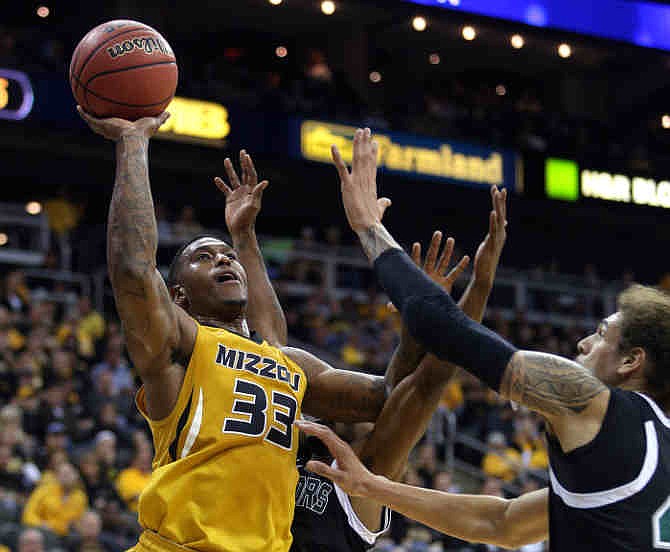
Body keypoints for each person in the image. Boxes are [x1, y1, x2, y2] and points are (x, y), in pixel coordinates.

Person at [297, 127, 670, 551]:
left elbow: (444, 330)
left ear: (630, 361)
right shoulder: (638, 458)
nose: (585, 343)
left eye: (603, 334)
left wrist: (368, 227)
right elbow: (501, 523)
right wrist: (373, 487)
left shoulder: (590, 402)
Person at [77, 108, 396, 552]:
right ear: (178, 297)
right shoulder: (182, 346)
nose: (223, 259)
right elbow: (133, 270)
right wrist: (133, 142)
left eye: (226, 255)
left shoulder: (283, 364)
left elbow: (386, 398)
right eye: (203, 258)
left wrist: (243, 234)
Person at [290, 187, 506, 551]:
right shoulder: (296, 442)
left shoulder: (366, 477)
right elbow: (271, 342)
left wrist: (480, 286)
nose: (363, 405)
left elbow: (428, 381)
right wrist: (244, 236)